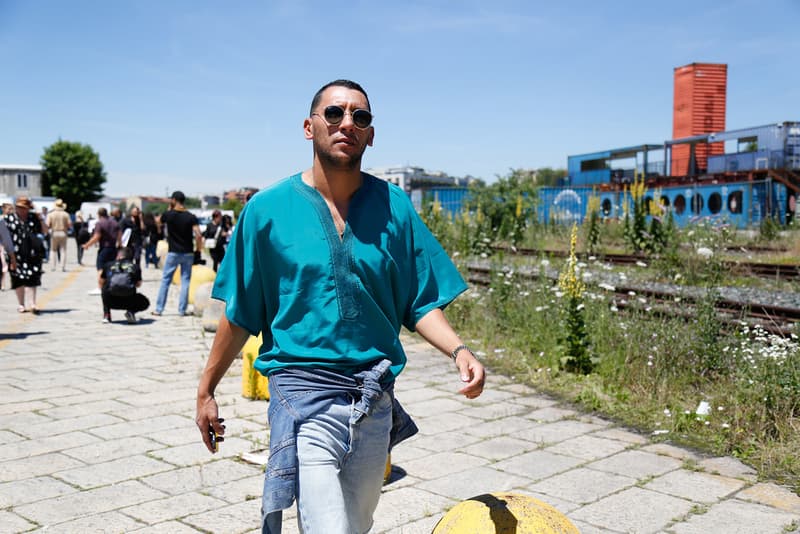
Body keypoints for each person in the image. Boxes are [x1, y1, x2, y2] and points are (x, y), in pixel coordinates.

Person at [195, 79, 485, 533]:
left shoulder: (394, 207)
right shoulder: (266, 210)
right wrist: (206, 389)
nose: (347, 123)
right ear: (309, 127)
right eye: (334, 113)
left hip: (374, 396)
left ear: (371, 134)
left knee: (356, 522)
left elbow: (420, 300)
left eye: (360, 116)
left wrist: (459, 350)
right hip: (303, 394)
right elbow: (241, 313)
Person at [152, 191, 202, 316]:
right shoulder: (191, 216)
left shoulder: (169, 215)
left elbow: (158, 222)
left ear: (173, 200)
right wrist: (198, 249)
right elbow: (198, 235)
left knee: (165, 280)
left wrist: (169, 209)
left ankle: (159, 309)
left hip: (173, 252)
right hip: (188, 252)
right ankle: (181, 310)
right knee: (185, 281)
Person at [3, 196, 46, 313]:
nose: (22, 210)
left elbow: (45, 231)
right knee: (17, 279)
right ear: (16, 207)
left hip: (32, 253)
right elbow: (4, 237)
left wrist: (41, 217)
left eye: (25, 208)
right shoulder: (8, 219)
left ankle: (33, 303)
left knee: (33, 277)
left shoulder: (34, 218)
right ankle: (21, 304)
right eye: (20, 207)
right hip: (15, 253)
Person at [99, 246, 150, 323]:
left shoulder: (108, 264)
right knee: (145, 302)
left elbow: (101, 281)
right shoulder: (135, 267)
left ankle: (107, 315)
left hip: (110, 301)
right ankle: (131, 311)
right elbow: (138, 284)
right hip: (129, 301)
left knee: (105, 286)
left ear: (119, 255)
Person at [82, 207, 120, 295]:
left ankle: (100, 287)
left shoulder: (100, 223)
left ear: (98, 214)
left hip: (104, 248)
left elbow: (97, 236)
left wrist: (87, 245)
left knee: (100, 268)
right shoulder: (114, 222)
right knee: (111, 268)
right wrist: (120, 244)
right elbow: (119, 234)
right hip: (113, 248)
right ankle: (111, 286)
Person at [46, 198, 72, 271]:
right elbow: (70, 224)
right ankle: (62, 267)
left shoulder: (51, 214)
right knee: (63, 250)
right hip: (63, 232)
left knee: (53, 250)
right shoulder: (66, 214)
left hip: (54, 232)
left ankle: (53, 266)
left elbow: (48, 224)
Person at [0, 217, 18, 291]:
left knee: (5, 266)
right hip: (3, 248)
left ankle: (4, 283)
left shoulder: (2, 220)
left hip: (3, 249)